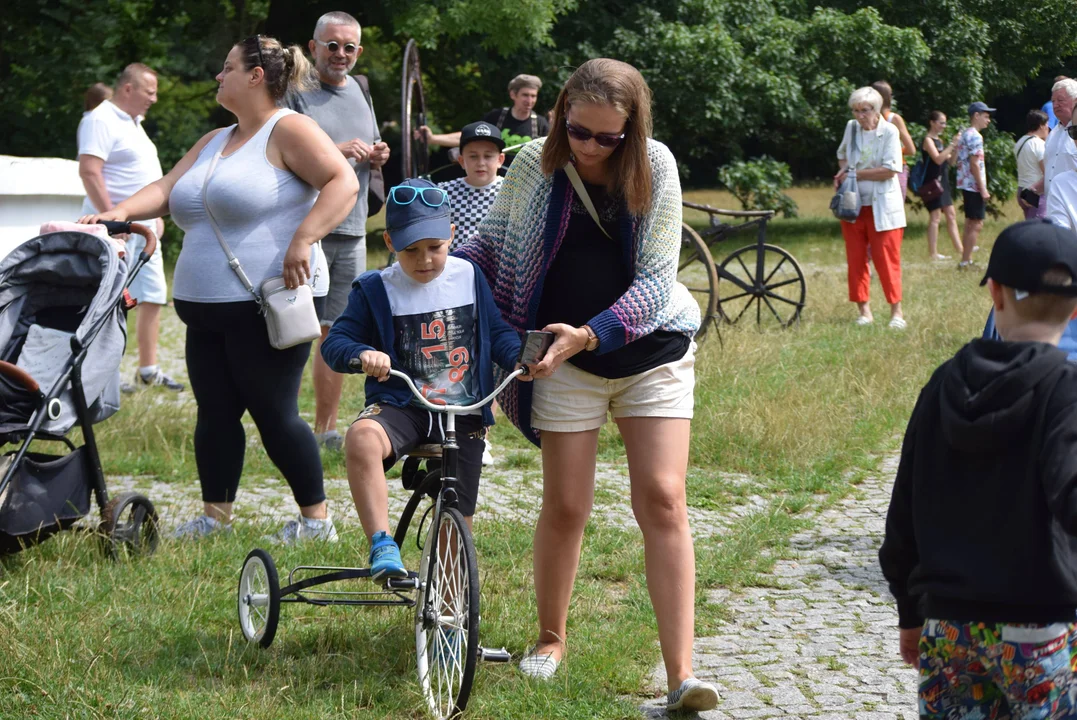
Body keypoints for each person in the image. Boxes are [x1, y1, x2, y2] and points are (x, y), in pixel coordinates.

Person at [455, 57, 719, 712]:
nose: (593, 147)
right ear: (559, 117)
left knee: (661, 498)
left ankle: (680, 673)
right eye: (580, 132)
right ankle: (550, 641)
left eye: (609, 137)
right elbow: (488, 246)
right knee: (566, 506)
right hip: (561, 359)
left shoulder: (654, 165)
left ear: (632, 130)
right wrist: (438, 272)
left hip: (649, 351)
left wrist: (589, 332)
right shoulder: (530, 166)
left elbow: (657, 281)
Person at [78, 36, 358, 542]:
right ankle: (215, 518)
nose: (218, 76)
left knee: (273, 412)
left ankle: (317, 522)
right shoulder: (213, 140)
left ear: (255, 77)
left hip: (266, 302)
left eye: (227, 68)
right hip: (205, 311)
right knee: (216, 412)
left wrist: (304, 238)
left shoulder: (288, 129)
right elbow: (165, 190)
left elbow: (343, 182)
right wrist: (116, 213)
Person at [880, 218, 1077, 719]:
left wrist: (910, 611)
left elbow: (904, 508)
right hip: (1041, 631)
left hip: (949, 627)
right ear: (1075, 309)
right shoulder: (1065, 390)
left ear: (995, 292)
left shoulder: (943, 382)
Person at [320, 178, 524, 577]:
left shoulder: (469, 276)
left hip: (463, 411)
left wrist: (519, 357)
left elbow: (497, 332)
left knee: (458, 520)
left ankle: (448, 604)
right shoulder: (375, 288)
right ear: (389, 242)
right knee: (361, 438)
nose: (425, 259)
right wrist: (362, 354)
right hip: (404, 405)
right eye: (411, 250)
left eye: (435, 247)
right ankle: (382, 545)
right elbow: (336, 342)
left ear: (452, 235)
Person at [287, 11, 391, 451]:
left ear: (359, 51)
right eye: (332, 45)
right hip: (304, 230)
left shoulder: (361, 90)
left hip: (350, 230)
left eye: (349, 47)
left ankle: (323, 429)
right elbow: (280, 153)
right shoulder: (294, 92)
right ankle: (283, 425)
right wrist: (335, 151)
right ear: (313, 47)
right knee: (291, 328)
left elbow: (363, 149)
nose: (340, 54)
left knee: (337, 332)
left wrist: (377, 155)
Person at [77, 63, 183, 392]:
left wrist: (156, 219)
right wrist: (112, 217)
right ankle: (102, 376)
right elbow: (90, 171)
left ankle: (148, 369)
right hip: (115, 230)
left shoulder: (135, 123)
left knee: (151, 296)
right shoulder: (100, 118)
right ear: (128, 89)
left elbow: (143, 177)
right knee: (109, 302)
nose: (155, 98)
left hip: (143, 230)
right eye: (150, 91)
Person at [834, 86, 907, 329]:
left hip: (883, 206)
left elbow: (890, 169)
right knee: (856, 260)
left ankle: (896, 313)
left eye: (864, 110)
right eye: (855, 110)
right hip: (853, 205)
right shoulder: (851, 127)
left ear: (876, 110)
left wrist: (855, 174)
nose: (859, 115)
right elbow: (842, 154)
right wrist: (844, 171)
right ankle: (864, 311)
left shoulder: (889, 131)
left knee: (886, 260)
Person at [421, 74, 550, 166]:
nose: (530, 100)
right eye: (525, 95)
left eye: (533, 96)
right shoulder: (496, 117)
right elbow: (469, 136)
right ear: (513, 95)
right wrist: (433, 139)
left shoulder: (540, 123)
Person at [438, 121, 506, 250]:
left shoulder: (511, 192)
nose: (481, 163)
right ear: (462, 161)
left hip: (496, 267)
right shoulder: (443, 192)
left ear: (500, 160)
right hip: (456, 265)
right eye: (473, 156)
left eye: (488, 156)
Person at [955, 102, 994, 269]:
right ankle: (966, 260)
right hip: (973, 184)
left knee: (970, 221)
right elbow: (974, 163)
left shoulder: (965, 133)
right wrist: (983, 188)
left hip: (965, 183)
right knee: (977, 223)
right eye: (986, 116)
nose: (989, 120)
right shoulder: (976, 136)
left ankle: (966, 259)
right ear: (976, 116)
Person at [921, 111, 962, 260]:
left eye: (945, 123)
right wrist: (952, 145)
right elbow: (938, 159)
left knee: (951, 214)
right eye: (941, 122)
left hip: (943, 181)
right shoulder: (928, 140)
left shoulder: (940, 141)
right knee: (935, 217)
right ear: (932, 122)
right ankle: (933, 253)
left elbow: (949, 162)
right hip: (932, 183)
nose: (944, 126)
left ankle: (960, 249)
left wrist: (956, 148)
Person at [872, 81, 916, 200]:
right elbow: (911, 149)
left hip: (876, 168)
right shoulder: (893, 118)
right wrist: (892, 152)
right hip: (894, 167)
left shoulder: (867, 119)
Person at [1040, 78, 1077, 203]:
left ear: (1075, 100)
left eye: (1060, 100)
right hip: (1053, 206)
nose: (1055, 105)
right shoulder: (1052, 134)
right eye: (1053, 101)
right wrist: (1034, 188)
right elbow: (1051, 170)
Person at [1015, 109, 1050, 220]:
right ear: (1041, 126)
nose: (1048, 128)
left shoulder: (1020, 142)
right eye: (1047, 125)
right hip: (1036, 192)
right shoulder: (1039, 144)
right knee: (1038, 229)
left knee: (1029, 225)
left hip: (1022, 190)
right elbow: (1047, 172)